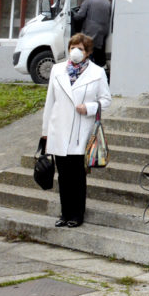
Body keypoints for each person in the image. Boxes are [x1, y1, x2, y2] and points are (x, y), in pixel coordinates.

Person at [40, 33, 112, 228]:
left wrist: (89, 107)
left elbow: (106, 100)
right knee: (63, 176)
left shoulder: (97, 73)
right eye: (73, 47)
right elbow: (50, 102)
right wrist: (45, 132)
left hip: (81, 133)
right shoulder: (57, 70)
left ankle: (77, 214)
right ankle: (64, 214)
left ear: (88, 52)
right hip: (59, 130)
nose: (75, 51)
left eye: (80, 48)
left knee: (78, 176)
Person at [73, 0, 112, 70]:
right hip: (103, 33)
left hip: (91, 32)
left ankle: (87, 70)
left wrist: (73, 15)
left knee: (87, 53)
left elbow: (80, 16)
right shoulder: (107, 2)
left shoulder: (88, 0)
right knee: (99, 55)